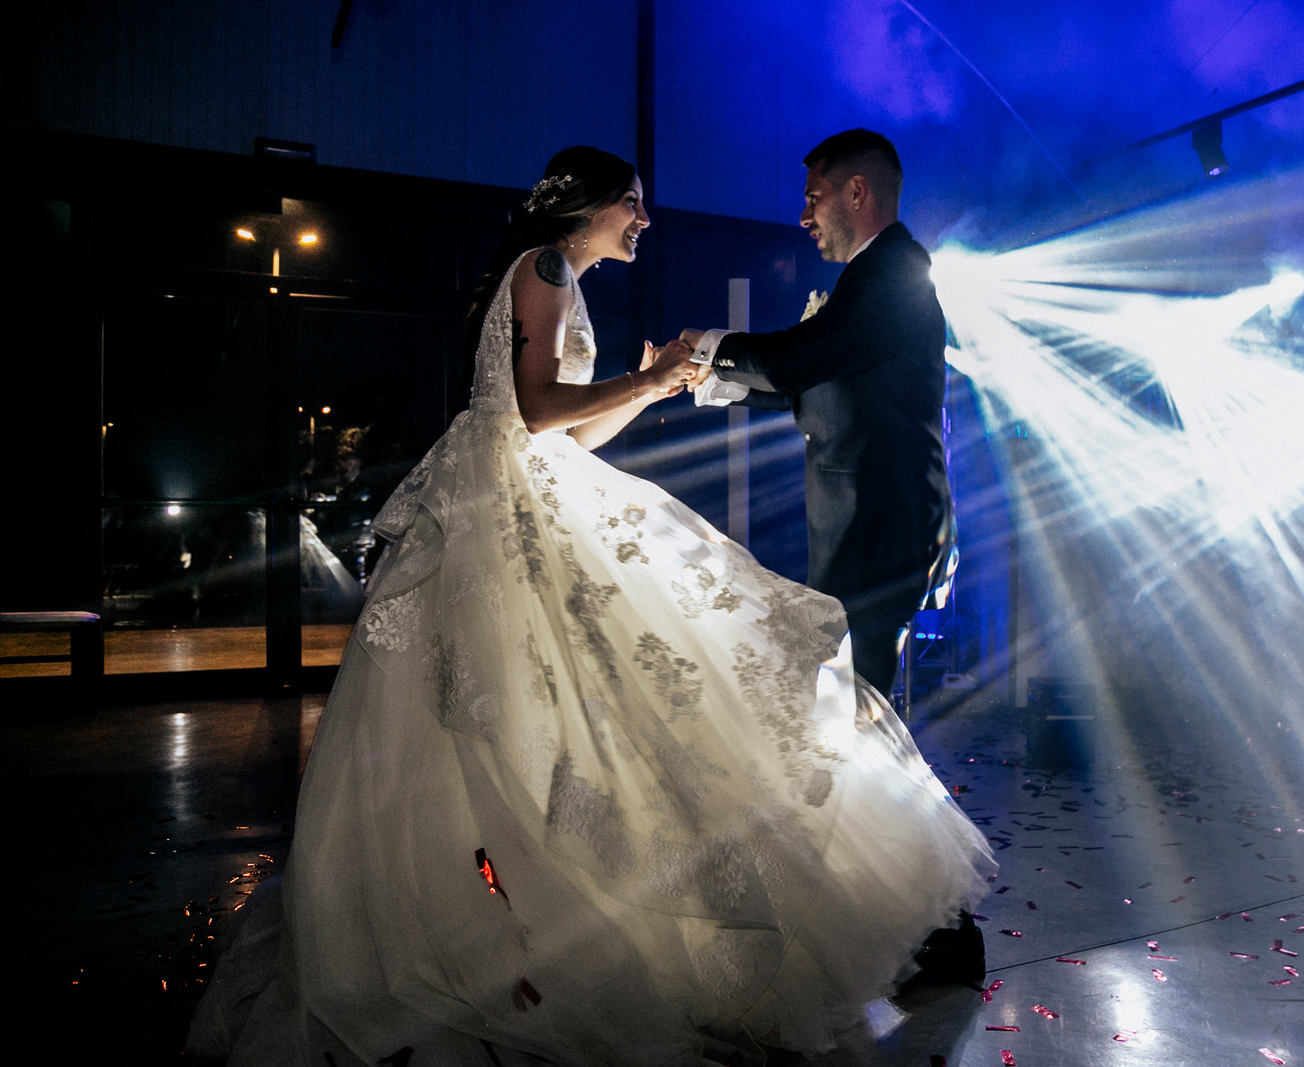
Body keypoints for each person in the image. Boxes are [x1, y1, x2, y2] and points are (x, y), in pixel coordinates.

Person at [187, 146, 994, 1067]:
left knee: (596, 696)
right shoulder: (541, 268)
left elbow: (581, 419)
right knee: (525, 702)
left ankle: (888, 916)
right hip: (504, 504)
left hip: (714, 499)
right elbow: (532, 410)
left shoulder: (571, 277)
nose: (647, 221)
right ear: (593, 206)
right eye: (636, 205)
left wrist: (654, 383)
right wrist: (657, 379)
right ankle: (519, 914)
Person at [684, 129, 954, 697]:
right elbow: (814, 383)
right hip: (862, 529)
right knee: (849, 707)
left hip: (877, 532)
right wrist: (712, 379)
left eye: (813, 197)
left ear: (857, 192)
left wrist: (707, 345)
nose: (804, 216)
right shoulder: (876, 274)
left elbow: (798, 360)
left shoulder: (893, 275)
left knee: (859, 713)